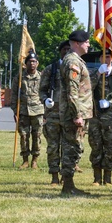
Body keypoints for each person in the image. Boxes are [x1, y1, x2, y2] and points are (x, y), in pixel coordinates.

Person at [58, 30, 93, 196]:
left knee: (74, 147)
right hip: (73, 114)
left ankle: (69, 185)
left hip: (75, 113)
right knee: (72, 148)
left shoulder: (75, 60)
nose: (88, 45)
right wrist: (77, 114)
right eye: (86, 42)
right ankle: (68, 186)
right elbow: (72, 91)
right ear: (78, 43)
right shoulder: (72, 62)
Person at [41, 40, 71, 184]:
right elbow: (42, 90)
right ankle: (54, 175)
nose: (67, 51)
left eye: (69, 49)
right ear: (60, 51)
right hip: (53, 113)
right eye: (64, 49)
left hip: (69, 114)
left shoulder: (75, 68)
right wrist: (45, 99)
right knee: (53, 146)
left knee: (68, 147)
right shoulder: (51, 69)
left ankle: (66, 176)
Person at [89, 48, 112, 186]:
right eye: (103, 57)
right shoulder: (94, 73)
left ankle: (108, 177)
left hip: (111, 116)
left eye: (108, 56)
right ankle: (96, 177)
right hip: (95, 114)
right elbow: (86, 88)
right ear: (100, 59)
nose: (106, 59)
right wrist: (98, 74)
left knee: (110, 146)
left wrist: (111, 102)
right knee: (96, 144)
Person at [12, 51, 44, 170]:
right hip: (23, 111)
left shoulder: (41, 77)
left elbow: (44, 94)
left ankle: (34, 160)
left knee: (37, 136)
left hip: (38, 111)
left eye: (34, 61)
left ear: (37, 63)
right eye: (30, 62)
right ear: (25, 64)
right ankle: (25, 160)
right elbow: (14, 95)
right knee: (24, 136)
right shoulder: (19, 78)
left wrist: (46, 112)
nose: (32, 64)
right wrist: (15, 111)